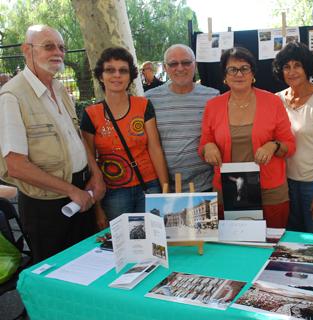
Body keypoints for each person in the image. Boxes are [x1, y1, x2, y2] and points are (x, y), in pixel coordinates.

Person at [0, 25, 105, 263]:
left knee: (89, 266)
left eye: (61, 47)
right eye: (48, 46)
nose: (57, 52)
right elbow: (15, 165)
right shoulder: (12, 97)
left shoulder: (59, 88)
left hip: (81, 195)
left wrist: (96, 175)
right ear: (27, 50)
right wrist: (71, 191)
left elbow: (76, 137)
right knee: (58, 275)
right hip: (46, 207)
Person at [199, 47, 296, 228]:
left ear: (253, 74)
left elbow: (289, 145)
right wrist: (208, 147)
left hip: (270, 191)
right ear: (224, 76)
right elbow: (203, 144)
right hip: (228, 189)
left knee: (270, 245)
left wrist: (272, 145)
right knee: (230, 249)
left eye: (245, 68)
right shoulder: (213, 106)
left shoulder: (273, 102)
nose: (239, 74)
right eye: (232, 69)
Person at [80, 47, 168, 228]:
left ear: (130, 76)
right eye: (110, 70)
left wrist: (165, 190)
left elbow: (155, 148)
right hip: (114, 192)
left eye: (123, 70)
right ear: (100, 76)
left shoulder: (143, 105)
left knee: (154, 239)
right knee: (124, 246)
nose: (117, 75)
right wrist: (98, 208)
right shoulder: (91, 114)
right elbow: (91, 163)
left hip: (149, 185)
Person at [273, 42, 313, 234]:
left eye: (297, 65)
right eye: (286, 67)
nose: (292, 72)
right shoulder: (276, 99)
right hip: (285, 185)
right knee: (290, 244)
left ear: (307, 67)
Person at [146, 44, 219, 192]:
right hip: (165, 188)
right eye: (173, 64)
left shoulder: (212, 97)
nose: (180, 68)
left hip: (206, 186)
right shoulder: (150, 99)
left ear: (195, 65)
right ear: (165, 68)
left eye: (186, 62)